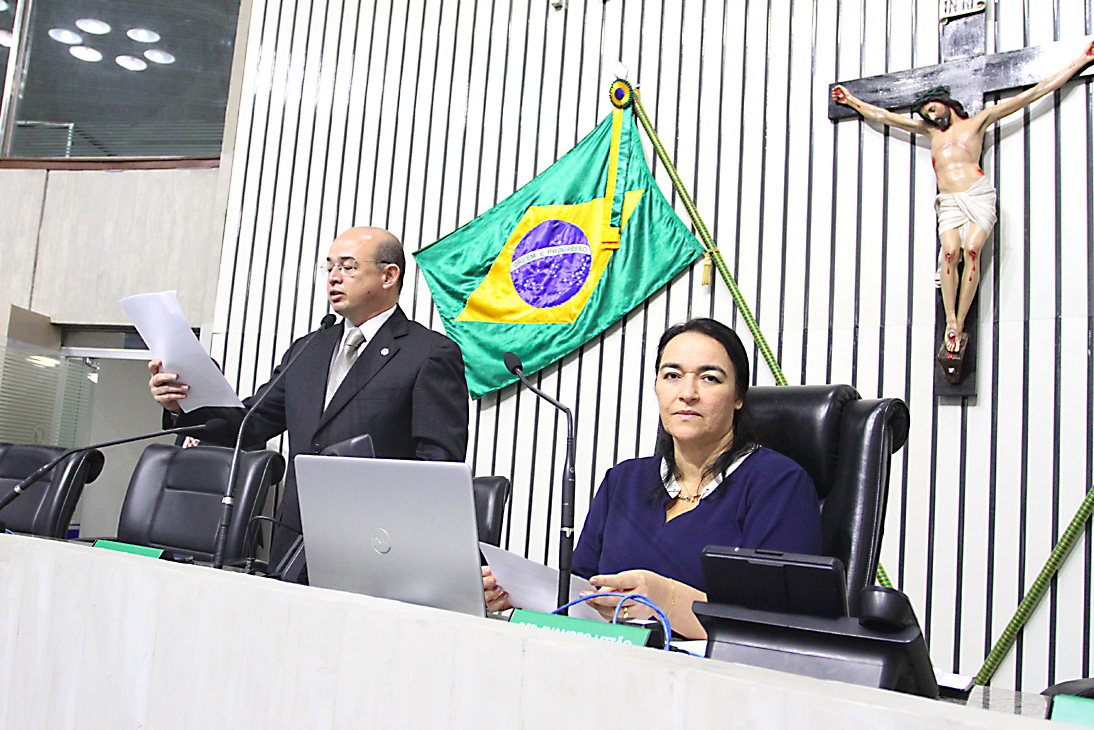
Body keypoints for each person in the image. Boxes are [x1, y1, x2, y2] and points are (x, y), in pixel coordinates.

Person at [148, 226, 470, 570]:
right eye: (329, 267)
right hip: (294, 540)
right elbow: (249, 425)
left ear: (389, 275)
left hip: (376, 547)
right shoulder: (309, 349)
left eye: (347, 267)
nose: (333, 278)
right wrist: (182, 404)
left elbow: (438, 467)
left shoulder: (429, 353)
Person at [482, 318, 821, 639]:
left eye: (710, 378)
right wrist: (518, 598)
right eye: (672, 375)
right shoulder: (624, 481)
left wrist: (668, 600)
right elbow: (581, 593)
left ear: (738, 397)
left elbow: (778, 628)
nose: (687, 393)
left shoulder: (779, 484)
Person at [832, 41, 1094, 356]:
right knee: (948, 253)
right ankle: (951, 321)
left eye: (931, 108)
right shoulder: (930, 133)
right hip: (949, 200)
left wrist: (1081, 60)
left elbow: (1033, 93)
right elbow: (883, 115)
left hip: (977, 194)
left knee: (971, 251)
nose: (928, 115)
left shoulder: (979, 121)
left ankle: (961, 318)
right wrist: (850, 100)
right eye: (924, 113)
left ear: (946, 103)